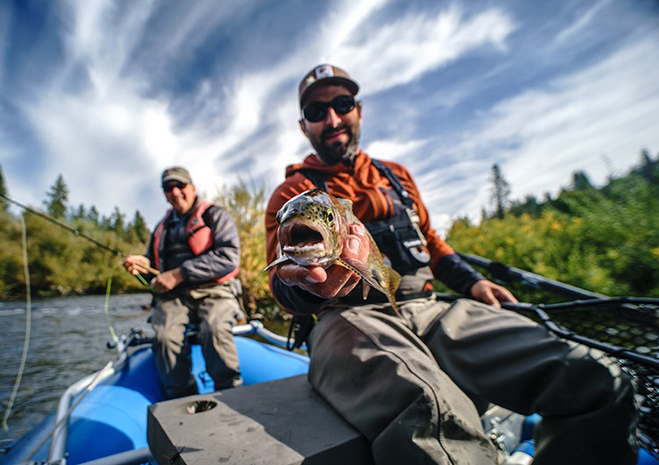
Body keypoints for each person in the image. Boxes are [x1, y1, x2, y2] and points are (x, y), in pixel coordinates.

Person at [265, 64, 637, 464]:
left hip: (430, 309)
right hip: (345, 320)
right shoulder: (292, 194)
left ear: (358, 109)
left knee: (597, 378)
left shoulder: (398, 177)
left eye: (341, 104)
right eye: (317, 112)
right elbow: (283, 280)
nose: (333, 119)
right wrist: (306, 284)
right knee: (433, 418)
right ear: (304, 126)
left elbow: (433, 243)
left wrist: (473, 283)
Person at [124, 166, 244, 398]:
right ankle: (183, 398)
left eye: (180, 186)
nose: (176, 192)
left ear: (192, 188)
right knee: (164, 337)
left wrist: (179, 274)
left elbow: (229, 258)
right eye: (169, 188)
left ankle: (230, 394)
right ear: (164, 194)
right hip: (174, 298)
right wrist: (142, 267)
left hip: (215, 291)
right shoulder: (160, 227)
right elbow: (155, 272)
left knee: (215, 329)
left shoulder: (215, 215)